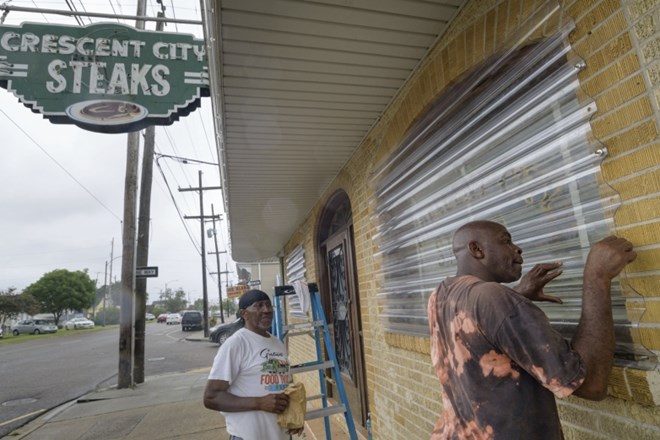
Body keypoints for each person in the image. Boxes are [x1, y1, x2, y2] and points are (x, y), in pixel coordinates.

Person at [427, 220, 636, 439]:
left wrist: (516, 297)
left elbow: (477, 331)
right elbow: (591, 385)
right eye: (506, 241)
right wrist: (597, 276)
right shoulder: (493, 298)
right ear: (476, 249)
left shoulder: (440, 295)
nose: (518, 248)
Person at [204, 289, 304, 440]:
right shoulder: (236, 344)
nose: (267, 310)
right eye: (259, 306)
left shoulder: (277, 343)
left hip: (280, 435)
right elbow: (211, 397)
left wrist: (294, 413)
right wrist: (259, 403)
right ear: (245, 314)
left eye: (269, 305)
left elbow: (283, 385)